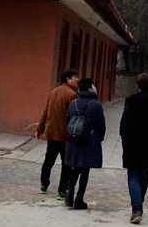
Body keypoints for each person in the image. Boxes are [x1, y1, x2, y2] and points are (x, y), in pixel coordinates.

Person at [119, 73, 148, 224]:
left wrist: (124, 139)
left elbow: (124, 124)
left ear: (137, 85)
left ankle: (137, 208)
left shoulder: (131, 100)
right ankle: (139, 200)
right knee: (144, 174)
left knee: (132, 175)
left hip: (132, 143)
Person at [63, 77, 106, 210]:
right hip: (89, 142)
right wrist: (99, 139)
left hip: (74, 141)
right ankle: (79, 199)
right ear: (90, 88)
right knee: (85, 171)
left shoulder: (73, 103)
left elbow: (67, 121)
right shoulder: (96, 105)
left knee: (74, 169)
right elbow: (101, 126)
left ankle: (69, 195)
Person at [36, 69, 79, 201]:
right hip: (65, 135)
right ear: (68, 79)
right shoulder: (72, 95)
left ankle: (44, 184)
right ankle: (62, 190)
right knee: (66, 163)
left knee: (49, 160)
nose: (77, 79)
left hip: (52, 132)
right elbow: (73, 117)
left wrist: (40, 128)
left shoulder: (53, 92)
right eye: (75, 77)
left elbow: (45, 111)